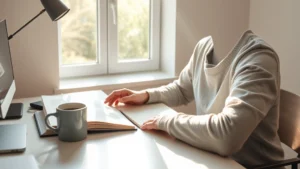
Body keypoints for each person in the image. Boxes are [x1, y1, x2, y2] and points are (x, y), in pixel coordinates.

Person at [104, 30, 284, 168]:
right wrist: (147, 96)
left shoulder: (258, 58)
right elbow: (182, 90)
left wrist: (168, 121)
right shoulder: (204, 46)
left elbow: (228, 136)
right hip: (214, 159)